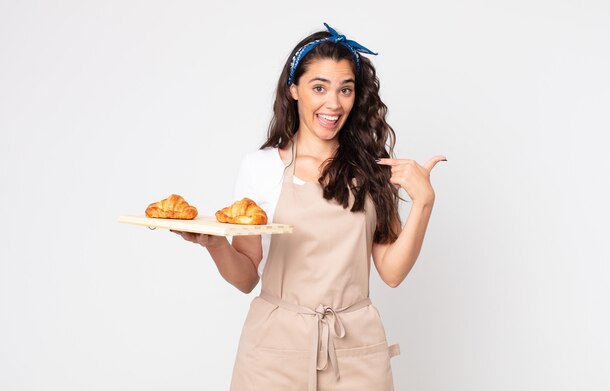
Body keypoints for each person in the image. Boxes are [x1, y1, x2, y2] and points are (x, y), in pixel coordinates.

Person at [172, 22, 446, 391]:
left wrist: (424, 202)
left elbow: (392, 272)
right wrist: (215, 243)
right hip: (273, 351)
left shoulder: (371, 168)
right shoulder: (262, 167)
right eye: (319, 87)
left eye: (345, 90)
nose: (333, 104)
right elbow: (247, 277)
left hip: (353, 349)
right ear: (294, 89)